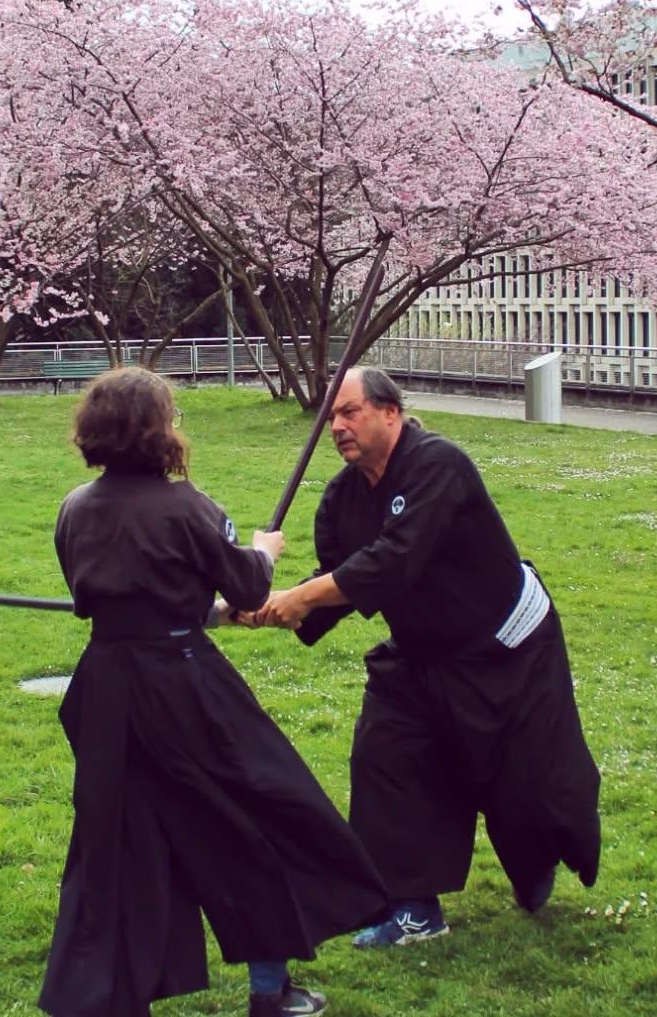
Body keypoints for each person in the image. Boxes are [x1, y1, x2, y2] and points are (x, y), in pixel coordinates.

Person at [37, 366, 387, 1017]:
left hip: (107, 687)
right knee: (260, 817)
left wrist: (197, 604)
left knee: (115, 842)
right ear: (156, 432)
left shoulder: (75, 508)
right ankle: (269, 992)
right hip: (182, 683)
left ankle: (104, 998)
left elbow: (101, 599)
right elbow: (249, 588)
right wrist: (264, 550)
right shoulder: (189, 506)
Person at [253, 366, 601, 948]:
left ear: (390, 412)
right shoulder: (341, 497)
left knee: (527, 788)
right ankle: (412, 906)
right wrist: (271, 605)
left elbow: (395, 559)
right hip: (421, 654)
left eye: (350, 411)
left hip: (507, 648)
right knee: (384, 755)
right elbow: (339, 581)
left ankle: (537, 858)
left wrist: (304, 596)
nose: (338, 426)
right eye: (331, 417)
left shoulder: (439, 464)